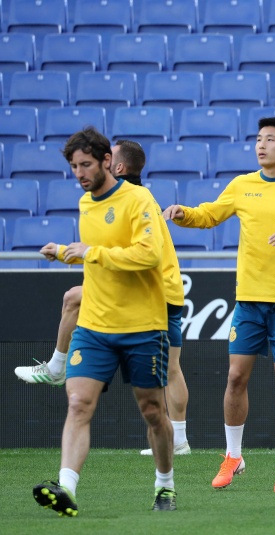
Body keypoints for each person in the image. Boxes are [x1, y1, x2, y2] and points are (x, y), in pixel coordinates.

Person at [163, 117, 275, 493]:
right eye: (258, 139)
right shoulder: (242, 185)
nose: (261, 145)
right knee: (235, 378)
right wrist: (184, 213)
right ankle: (233, 456)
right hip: (248, 301)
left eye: (270, 140)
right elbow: (210, 214)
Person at [15, 140, 193, 457]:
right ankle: (178, 438)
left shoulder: (130, 199)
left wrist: (75, 252)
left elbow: (123, 253)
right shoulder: (131, 198)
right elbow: (103, 249)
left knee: (73, 298)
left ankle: (57, 367)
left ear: (116, 166)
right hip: (169, 288)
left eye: (107, 157)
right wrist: (64, 252)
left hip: (150, 290)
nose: (99, 162)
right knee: (172, 369)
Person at [34, 128, 176, 515]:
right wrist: (65, 251)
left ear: (107, 162)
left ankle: (165, 484)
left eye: (86, 164)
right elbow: (96, 257)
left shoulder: (138, 199)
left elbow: (148, 255)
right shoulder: (85, 203)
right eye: (74, 166)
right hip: (95, 325)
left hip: (142, 325)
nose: (79, 173)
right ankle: (65, 489)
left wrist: (89, 252)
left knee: (153, 411)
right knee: (79, 403)